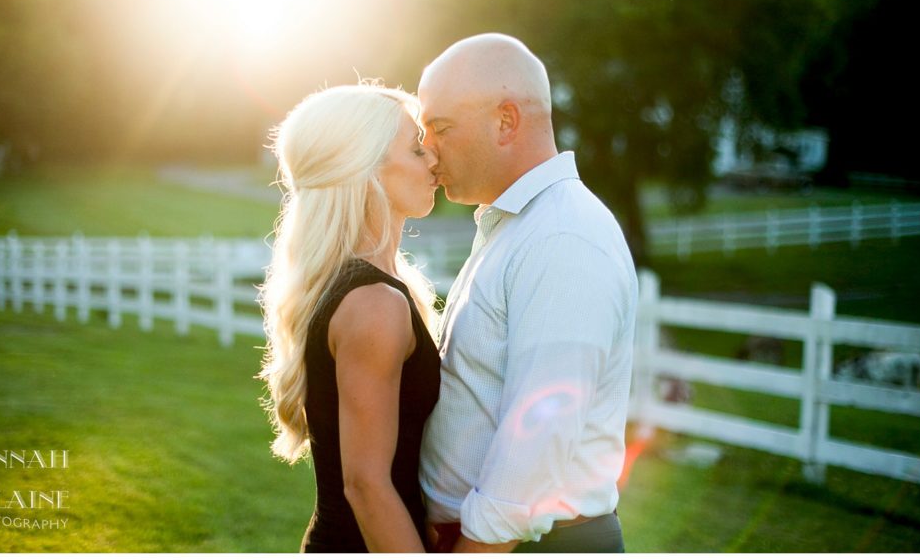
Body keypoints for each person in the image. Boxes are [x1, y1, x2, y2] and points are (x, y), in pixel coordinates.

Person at [416, 33, 638, 553]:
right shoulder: (519, 227)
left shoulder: (563, 236)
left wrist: (472, 550)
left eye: (440, 127)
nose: (427, 148)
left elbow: (535, 445)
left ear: (506, 121)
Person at [258, 84, 442, 552]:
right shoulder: (373, 303)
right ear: (368, 169)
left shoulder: (371, 287)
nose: (434, 161)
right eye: (417, 148)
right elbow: (366, 487)